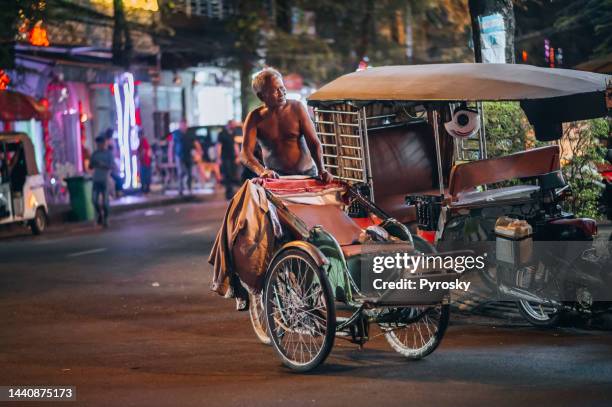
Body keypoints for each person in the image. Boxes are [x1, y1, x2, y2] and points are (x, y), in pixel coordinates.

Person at [240, 67, 332, 183]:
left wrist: (321, 169)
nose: (281, 93)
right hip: (276, 177)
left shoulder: (297, 108)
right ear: (262, 96)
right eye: (275, 90)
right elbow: (245, 153)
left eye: (282, 88)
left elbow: (313, 142)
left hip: (307, 174)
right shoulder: (254, 117)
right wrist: (262, 171)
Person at [89, 134, 116, 227]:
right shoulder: (95, 154)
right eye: (98, 143)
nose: (99, 145)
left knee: (105, 202)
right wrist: (94, 164)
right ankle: (100, 215)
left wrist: (102, 165)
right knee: (94, 200)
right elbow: (90, 165)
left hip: (105, 179)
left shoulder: (109, 154)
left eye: (101, 143)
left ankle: (106, 219)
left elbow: (112, 166)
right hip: (96, 179)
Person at [218, 120, 241, 199]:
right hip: (225, 157)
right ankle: (228, 193)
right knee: (227, 175)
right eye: (233, 125)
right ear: (229, 125)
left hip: (232, 157)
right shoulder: (222, 134)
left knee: (232, 174)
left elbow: (234, 144)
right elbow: (219, 146)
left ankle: (231, 191)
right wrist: (219, 158)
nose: (235, 126)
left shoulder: (233, 133)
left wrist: (238, 155)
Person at [171, 119, 193, 195]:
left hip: (188, 156)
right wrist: (170, 157)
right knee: (181, 172)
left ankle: (189, 188)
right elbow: (172, 145)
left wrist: (199, 150)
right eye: (183, 124)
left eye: (185, 124)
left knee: (189, 173)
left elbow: (195, 142)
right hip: (179, 156)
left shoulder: (189, 133)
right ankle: (180, 190)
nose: (184, 126)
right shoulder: (176, 133)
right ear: (180, 125)